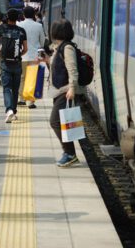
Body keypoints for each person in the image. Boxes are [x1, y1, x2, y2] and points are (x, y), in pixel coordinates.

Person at [48, 19, 91, 167]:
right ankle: (68, 152)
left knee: (55, 121)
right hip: (60, 90)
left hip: (66, 90)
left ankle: (70, 153)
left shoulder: (67, 48)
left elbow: (72, 69)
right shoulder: (58, 47)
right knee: (62, 122)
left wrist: (72, 88)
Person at [0, 8, 27, 123]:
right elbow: (25, 49)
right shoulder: (22, 31)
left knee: (7, 88)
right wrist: (19, 55)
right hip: (17, 63)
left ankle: (9, 110)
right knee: (15, 88)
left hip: (5, 63)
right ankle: (14, 110)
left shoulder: (0, 29)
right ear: (17, 18)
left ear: (7, 18)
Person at [18, 6, 46, 108]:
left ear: (23, 15)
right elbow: (42, 41)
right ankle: (30, 102)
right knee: (32, 78)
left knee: (22, 78)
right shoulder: (38, 26)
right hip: (34, 56)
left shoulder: (19, 24)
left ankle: (21, 99)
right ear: (34, 14)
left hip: (22, 55)